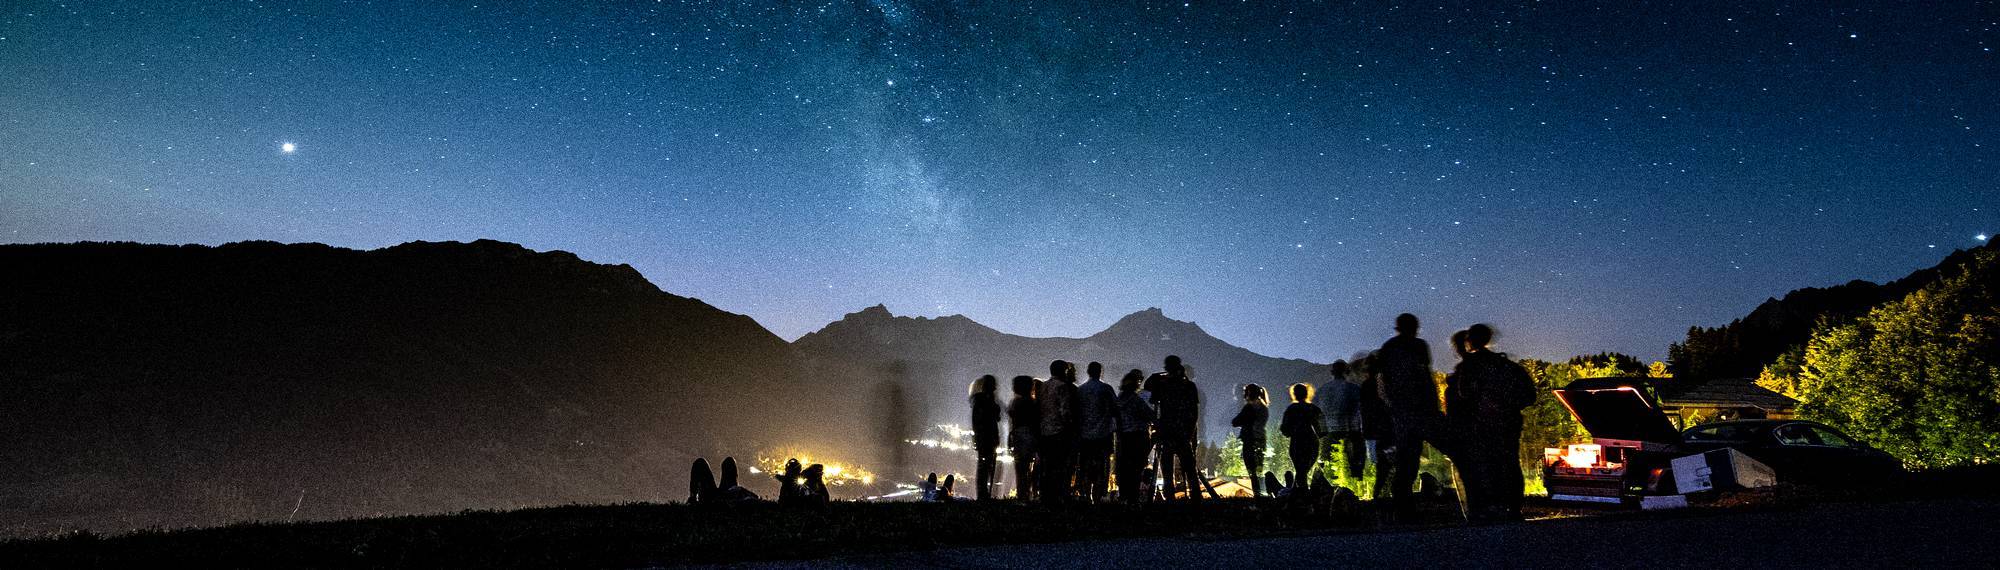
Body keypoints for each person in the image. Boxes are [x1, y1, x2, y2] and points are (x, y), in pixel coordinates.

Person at [1459, 324, 1538, 522]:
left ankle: (1491, 506)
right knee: (1510, 462)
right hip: (1509, 423)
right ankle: (1513, 506)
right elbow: (1529, 395)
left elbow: (1463, 394)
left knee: (1486, 464)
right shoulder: (1505, 365)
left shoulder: (1470, 366)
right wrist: (1509, 407)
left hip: (1482, 425)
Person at [1376, 313, 1440, 520]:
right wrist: (1433, 404)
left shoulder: (1388, 348)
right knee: (1411, 456)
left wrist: (1390, 406)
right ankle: (1405, 505)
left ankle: (1402, 505)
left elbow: (1383, 381)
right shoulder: (1419, 346)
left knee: (1407, 457)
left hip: (1400, 411)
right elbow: (1425, 376)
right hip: (1418, 409)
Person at [1148, 355, 1202, 503]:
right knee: (1189, 468)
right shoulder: (1189, 386)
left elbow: (1149, 389)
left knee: (1167, 468)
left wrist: (1159, 375)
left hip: (1167, 431)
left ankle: (1170, 497)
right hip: (1183, 432)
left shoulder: (1163, 385)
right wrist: (1190, 432)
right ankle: (1195, 496)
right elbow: (1194, 412)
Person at [1316, 360, 1367, 486]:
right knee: (1355, 462)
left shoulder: (1323, 390)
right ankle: (1357, 485)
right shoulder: (1354, 388)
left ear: (1332, 372)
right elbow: (1363, 408)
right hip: (1352, 430)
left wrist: (1321, 431)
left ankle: (1331, 489)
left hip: (1330, 431)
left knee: (1329, 463)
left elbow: (1317, 412)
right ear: (1347, 372)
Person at [1075, 362, 1118, 503]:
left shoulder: (1080, 390)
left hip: (1084, 436)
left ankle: (1086, 495)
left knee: (1085, 467)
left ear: (1088, 372)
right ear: (1100, 372)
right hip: (1103, 435)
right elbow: (1116, 409)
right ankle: (1098, 497)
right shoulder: (1106, 389)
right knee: (1102, 469)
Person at [1038, 360, 1081, 504]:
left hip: (1044, 431)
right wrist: (1071, 427)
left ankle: (1045, 495)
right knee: (1060, 465)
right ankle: (1059, 496)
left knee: (1047, 466)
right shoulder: (1062, 387)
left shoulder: (1044, 386)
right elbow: (1065, 411)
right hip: (1059, 432)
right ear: (1063, 371)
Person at [1113, 369, 1156, 504]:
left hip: (1123, 438)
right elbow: (1150, 415)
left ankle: (1124, 495)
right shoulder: (1136, 400)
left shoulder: (1119, 399)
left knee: (1125, 468)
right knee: (1136, 469)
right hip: (1138, 437)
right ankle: (1133, 498)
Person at [1280, 383, 1325, 486]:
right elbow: (1322, 430)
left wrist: (1292, 431)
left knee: (1300, 470)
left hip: (1296, 442)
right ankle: (1300, 492)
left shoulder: (1291, 409)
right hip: (1311, 441)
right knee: (1303, 471)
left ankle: (1298, 492)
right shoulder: (1313, 409)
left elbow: (1284, 429)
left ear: (1294, 394)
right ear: (1307, 393)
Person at [1230, 384, 1271, 497]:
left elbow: (1235, 422)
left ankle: (1257, 495)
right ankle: (1264, 493)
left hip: (1250, 441)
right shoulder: (1264, 407)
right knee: (1258, 470)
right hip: (1261, 440)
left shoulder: (1249, 407)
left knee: (1252, 472)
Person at [1006, 375, 1040, 501]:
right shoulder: (1033, 403)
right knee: (1027, 469)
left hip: (1019, 437)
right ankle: (1028, 494)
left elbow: (1013, 423)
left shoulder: (1016, 403)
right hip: (1030, 437)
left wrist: (1010, 440)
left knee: (1020, 469)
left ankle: (1022, 495)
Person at [969, 375, 1003, 501]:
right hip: (987, 438)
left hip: (986, 438)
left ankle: (984, 494)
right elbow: (993, 418)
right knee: (986, 467)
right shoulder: (984, 401)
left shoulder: (980, 400)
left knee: (985, 466)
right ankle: (984, 495)